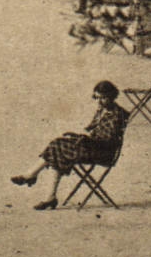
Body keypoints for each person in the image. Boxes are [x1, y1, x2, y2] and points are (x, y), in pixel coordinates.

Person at [11, 81, 129, 210]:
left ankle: (35, 180)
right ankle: (46, 194)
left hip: (103, 152)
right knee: (57, 146)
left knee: (57, 147)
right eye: (97, 98)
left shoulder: (117, 114)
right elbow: (91, 130)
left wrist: (84, 139)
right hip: (93, 146)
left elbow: (107, 142)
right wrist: (78, 136)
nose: (100, 102)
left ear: (112, 96)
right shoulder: (103, 110)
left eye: (103, 98)